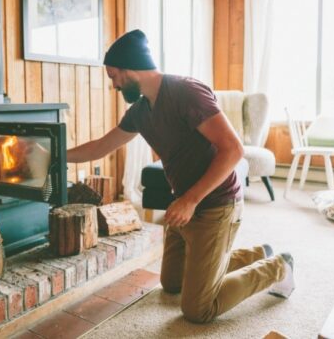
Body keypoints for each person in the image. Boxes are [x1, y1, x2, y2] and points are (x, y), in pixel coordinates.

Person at [67, 29, 295, 323]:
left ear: (130, 68)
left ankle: (278, 266)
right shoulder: (140, 111)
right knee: (172, 283)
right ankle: (256, 253)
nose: (114, 85)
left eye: (114, 76)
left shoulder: (186, 92)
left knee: (198, 309)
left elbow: (234, 149)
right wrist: (58, 155)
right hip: (184, 206)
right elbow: (101, 146)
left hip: (215, 203)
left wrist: (189, 200)